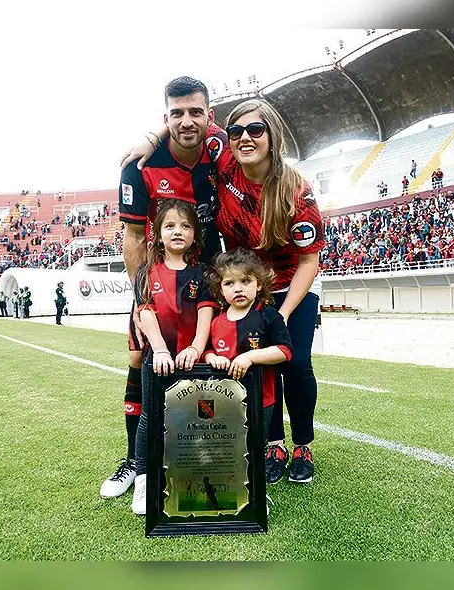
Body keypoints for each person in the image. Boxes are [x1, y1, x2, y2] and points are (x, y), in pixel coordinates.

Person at [125, 98, 327, 485]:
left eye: (256, 130)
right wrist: (154, 136)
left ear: (272, 135)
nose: (245, 138)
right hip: (242, 283)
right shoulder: (223, 153)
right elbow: (192, 122)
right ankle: (272, 443)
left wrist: (280, 316)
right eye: (237, 131)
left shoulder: (297, 192)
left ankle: (302, 445)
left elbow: (308, 262)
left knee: (295, 361)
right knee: (250, 360)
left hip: (290, 281)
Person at [103, 76, 224, 501]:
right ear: (165, 116)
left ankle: (211, 458)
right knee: (142, 357)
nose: (186, 121)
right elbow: (134, 237)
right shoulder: (140, 166)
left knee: (214, 358)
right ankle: (135, 462)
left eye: (195, 112)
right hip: (160, 278)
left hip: (211, 280)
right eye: (176, 113)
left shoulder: (221, 151)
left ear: (209, 116)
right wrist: (143, 296)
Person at [130, 199, 216, 515]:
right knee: (150, 419)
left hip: (194, 361)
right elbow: (146, 313)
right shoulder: (147, 272)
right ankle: (142, 482)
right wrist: (161, 350)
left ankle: (195, 479)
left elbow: (206, 313)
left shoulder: (204, 275)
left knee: (197, 419)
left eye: (185, 226)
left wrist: (195, 348)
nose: (177, 231)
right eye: (169, 226)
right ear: (158, 234)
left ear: (194, 235)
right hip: (160, 359)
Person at [203, 248, 293, 477]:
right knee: (228, 441)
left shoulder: (268, 315)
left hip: (261, 399)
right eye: (230, 283)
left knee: (254, 444)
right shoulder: (216, 321)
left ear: (259, 284)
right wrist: (213, 358)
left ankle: (253, 491)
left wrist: (249, 357)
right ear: (220, 290)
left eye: (245, 281)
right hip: (224, 400)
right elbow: (208, 350)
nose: (238, 288)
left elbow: (284, 351)